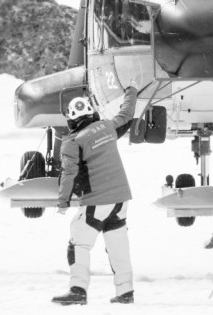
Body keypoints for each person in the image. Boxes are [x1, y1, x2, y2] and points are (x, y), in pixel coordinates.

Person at [51, 87, 139, 306]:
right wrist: (132, 91)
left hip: (98, 200)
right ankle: (125, 292)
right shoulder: (107, 127)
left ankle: (78, 290)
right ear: (91, 113)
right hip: (121, 199)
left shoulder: (72, 143)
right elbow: (127, 114)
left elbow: (69, 174)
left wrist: (63, 202)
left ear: (71, 119)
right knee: (117, 245)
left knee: (79, 242)